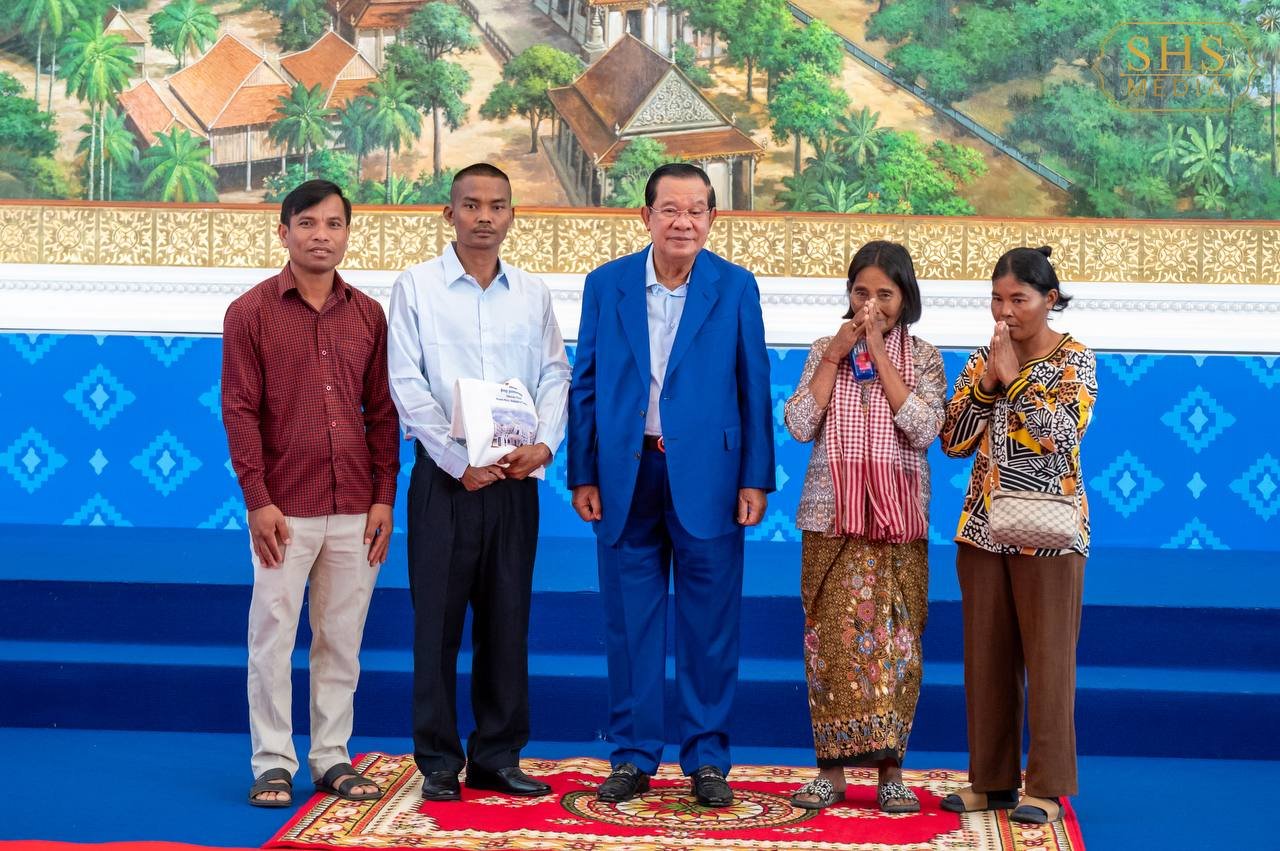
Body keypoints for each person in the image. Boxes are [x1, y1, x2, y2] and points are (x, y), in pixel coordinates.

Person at [567, 163, 775, 807]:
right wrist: (582, 471)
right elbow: (585, 383)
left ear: (712, 218)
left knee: (709, 624)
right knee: (629, 624)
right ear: (646, 216)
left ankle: (707, 758)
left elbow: (753, 386)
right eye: (670, 210)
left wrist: (755, 478)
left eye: (696, 211)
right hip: (624, 474)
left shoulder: (734, 287)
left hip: (710, 477)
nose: (683, 222)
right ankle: (633, 755)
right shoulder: (606, 285)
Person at [387, 162, 571, 802]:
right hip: (446, 481)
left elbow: (555, 374)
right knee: (436, 624)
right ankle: (438, 761)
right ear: (450, 213)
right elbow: (405, 381)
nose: (484, 217)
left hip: (515, 478)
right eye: (471, 205)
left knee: (507, 619)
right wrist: (454, 460)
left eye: (497, 206)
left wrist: (545, 444)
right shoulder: (415, 287)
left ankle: (497, 756)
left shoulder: (532, 293)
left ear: (513, 216)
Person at [222, 179, 399, 808]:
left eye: (333, 224)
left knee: (340, 639)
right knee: (272, 636)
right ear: (284, 232)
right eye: (307, 223)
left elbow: (383, 413)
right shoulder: (250, 313)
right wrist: (257, 500)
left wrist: (384, 496)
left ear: (347, 234)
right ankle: (273, 760)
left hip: (356, 504)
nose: (320, 235)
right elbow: (239, 411)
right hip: (283, 510)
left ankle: (331, 757)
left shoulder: (368, 314)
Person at [783, 241, 945, 813]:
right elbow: (800, 424)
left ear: (906, 298)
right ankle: (830, 773)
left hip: (898, 523)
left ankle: (890, 774)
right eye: (860, 292)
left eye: (884, 294)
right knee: (830, 647)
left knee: (896, 648)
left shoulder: (924, 358)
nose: (871, 304)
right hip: (832, 519)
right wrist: (836, 355)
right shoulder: (822, 349)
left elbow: (924, 429)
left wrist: (878, 352)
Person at [939, 246, 1097, 825]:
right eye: (997, 299)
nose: (1005, 312)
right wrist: (987, 382)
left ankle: (1048, 787)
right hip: (983, 529)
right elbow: (952, 441)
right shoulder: (983, 358)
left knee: (1050, 660)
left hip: (1050, 530)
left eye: (1019, 300)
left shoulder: (1075, 360)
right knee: (986, 660)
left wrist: (1017, 381)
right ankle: (993, 781)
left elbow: (1062, 439)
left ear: (1049, 299)